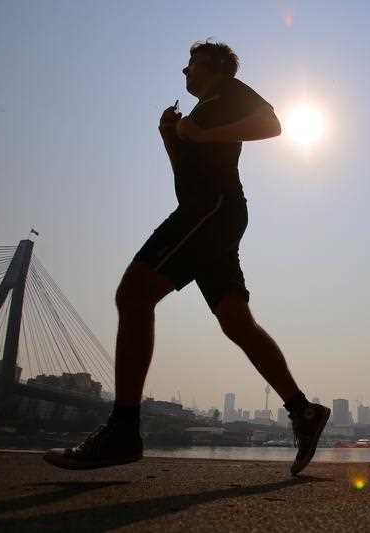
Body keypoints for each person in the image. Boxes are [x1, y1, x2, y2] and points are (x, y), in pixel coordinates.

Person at [44, 41, 330, 475]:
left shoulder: (229, 91)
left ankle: (122, 431)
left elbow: (273, 124)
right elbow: (185, 174)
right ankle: (303, 411)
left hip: (211, 210)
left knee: (135, 295)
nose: (184, 71)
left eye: (191, 64)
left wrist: (204, 134)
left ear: (214, 67)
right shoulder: (198, 113)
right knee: (235, 319)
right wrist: (171, 138)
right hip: (206, 210)